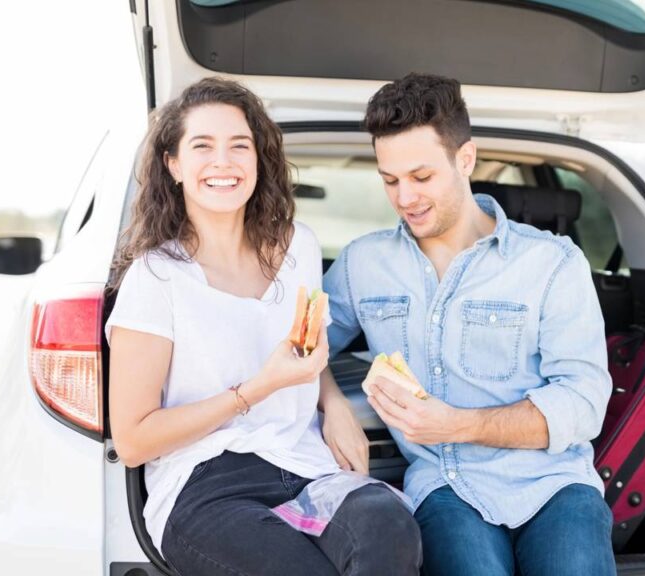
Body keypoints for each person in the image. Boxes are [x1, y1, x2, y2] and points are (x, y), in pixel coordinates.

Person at [105, 77, 422, 576]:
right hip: (204, 484)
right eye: (202, 146)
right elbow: (134, 441)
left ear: (258, 159)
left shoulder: (298, 248)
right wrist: (256, 389)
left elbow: (303, 349)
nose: (223, 162)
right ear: (174, 165)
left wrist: (333, 403)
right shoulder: (155, 277)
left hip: (302, 464)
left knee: (387, 526)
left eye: (239, 145)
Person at [323, 73, 616, 576]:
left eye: (421, 177)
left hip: (555, 483)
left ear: (466, 159)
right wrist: (331, 404)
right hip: (444, 484)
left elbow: (585, 402)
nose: (405, 198)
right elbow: (298, 349)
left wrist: (457, 424)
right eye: (390, 180)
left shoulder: (552, 263)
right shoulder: (360, 264)